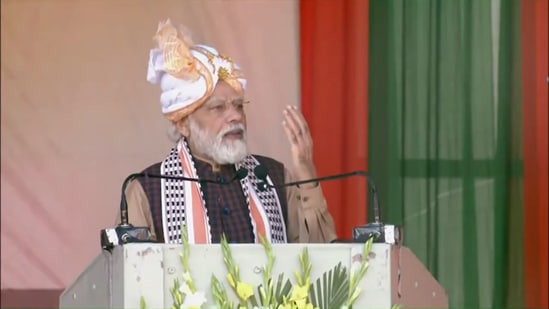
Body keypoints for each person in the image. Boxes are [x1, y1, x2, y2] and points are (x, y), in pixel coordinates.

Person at [124, 19, 336, 244]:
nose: (235, 116)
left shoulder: (274, 178)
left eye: (238, 105)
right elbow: (132, 274)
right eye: (217, 108)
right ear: (183, 124)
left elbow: (322, 265)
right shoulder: (148, 191)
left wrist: (305, 170)